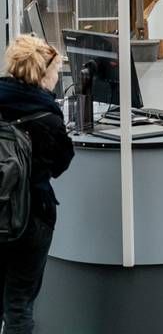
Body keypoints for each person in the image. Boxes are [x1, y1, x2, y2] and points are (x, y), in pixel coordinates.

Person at [0, 35, 74, 334]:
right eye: (55, 71)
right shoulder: (48, 117)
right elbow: (60, 165)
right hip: (31, 217)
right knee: (18, 304)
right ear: (42, 74)